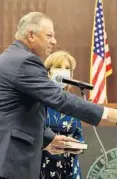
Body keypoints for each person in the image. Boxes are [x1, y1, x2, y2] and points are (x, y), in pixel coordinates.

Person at [0, 12, 117, 179]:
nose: (54, 41)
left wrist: (49, 139)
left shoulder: (12, 57)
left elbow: (15, 114)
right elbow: (60, 98)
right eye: (49, 35)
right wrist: (109, 113)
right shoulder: (24, 61)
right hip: (11, 163)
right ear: (31, 35)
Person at [40, 51, 84, 179]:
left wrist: (77, 146)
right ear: (48, 72)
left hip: (68, 166)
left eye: (67, 68)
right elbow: (30, 133)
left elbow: (79, 135)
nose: (63, 71)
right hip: (41, 165)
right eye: (58, 67)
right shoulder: (38, 101)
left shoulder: (73, 103)